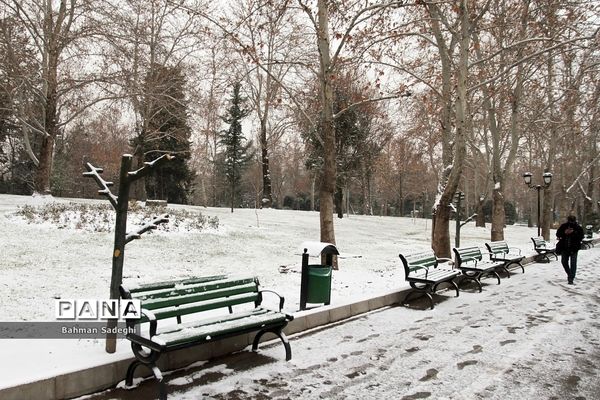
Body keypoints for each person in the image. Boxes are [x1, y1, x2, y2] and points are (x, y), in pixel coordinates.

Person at [556, 215, 584, 284]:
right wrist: (564, 233)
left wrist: (573, 233)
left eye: (572, 221)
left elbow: (581, 237)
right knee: (564, 262)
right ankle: (569, 274)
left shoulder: (578, 227)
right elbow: (558, 234)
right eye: (570, 220)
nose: (571, 222)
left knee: (573, 263)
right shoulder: (564, 226)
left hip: (574, 248)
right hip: (564, 247)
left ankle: (571, 278)